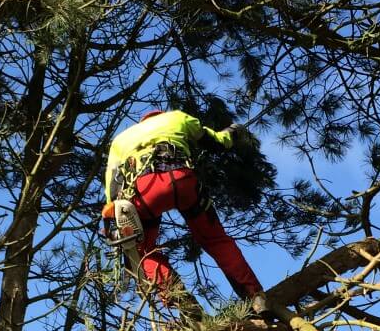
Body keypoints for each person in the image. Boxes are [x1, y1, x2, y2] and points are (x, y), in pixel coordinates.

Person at [101, 108, 266, 312]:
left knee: (144, 251)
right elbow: (215, 142)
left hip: (144, 191)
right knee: (216, 240)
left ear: (142, 120)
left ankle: (186, 307)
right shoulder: (177, 117)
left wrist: (113, 219)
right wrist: (233, 132)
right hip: (183, 181)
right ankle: (256, 296)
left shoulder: (121, 139)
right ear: (161, 114)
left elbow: (112, 183)